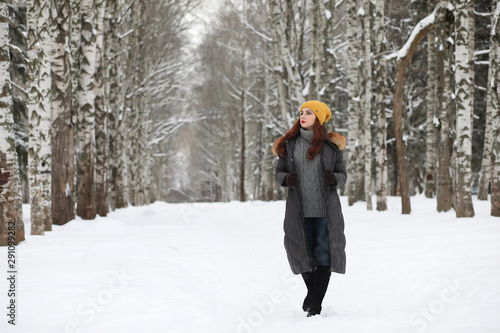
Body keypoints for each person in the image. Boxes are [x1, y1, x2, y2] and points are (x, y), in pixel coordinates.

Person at [272, 100, 347, 317]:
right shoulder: (289, 145)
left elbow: (343, 175)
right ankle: (313, 293)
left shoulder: (332, 146)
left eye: (309, 112)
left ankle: (315, 306)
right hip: (299, 211)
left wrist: (335, 179)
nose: (303, 116)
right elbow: (278, 173)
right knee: (300, 253)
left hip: (326, 212)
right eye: (301, 112)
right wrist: (286, 178)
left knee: (324, 256)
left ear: (319, 117)